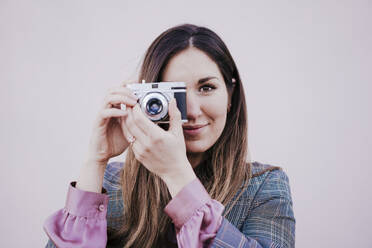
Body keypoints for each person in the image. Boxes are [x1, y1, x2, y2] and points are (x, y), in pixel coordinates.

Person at [43, 23, 295, 248]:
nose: (193, 112)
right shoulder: (111, 183)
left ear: (230, 96)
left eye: (207, 88)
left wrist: (177, 175)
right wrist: (95, 161)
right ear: (147, 97)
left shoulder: (264, 186)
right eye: (175, 94)